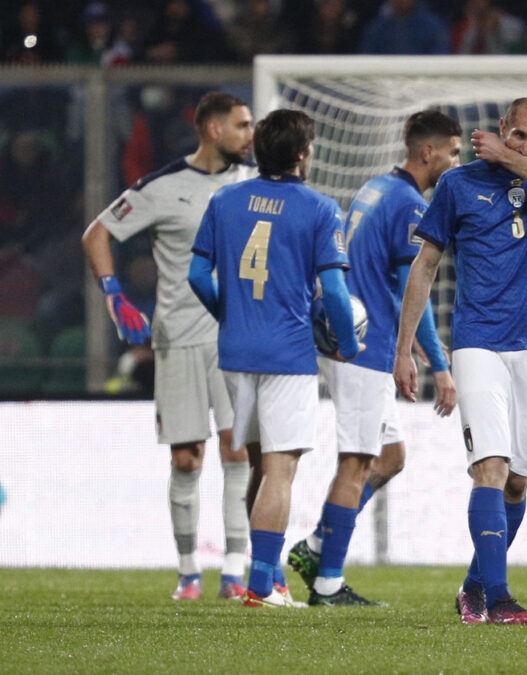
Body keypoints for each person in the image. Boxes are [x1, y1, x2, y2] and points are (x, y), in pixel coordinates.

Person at [394, 97, 527, 625]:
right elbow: (425, 265)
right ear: (503, 128)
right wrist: (404, 349)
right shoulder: (457, 185)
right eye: (518, 135)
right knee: (491, 469)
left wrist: (509, 157)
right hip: (479, 343)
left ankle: (473, 589)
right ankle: (499, 598)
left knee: (518, 482)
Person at [82, 91, 257, 601]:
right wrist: (115, 296)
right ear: (212, 129)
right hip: (178, 337)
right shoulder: (163, 187)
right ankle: (187, 572)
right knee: (187, 458)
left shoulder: (255, 183)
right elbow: (98, 234)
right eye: (242, 126)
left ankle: (234, 571)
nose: (251, 135)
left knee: (237, 451)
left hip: (236, 336)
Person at [188, 108, 363, 608]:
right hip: (287, 354)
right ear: (303, 155)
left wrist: (232, 315)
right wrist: (347, 345)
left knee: (262, 469)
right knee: (281, 470)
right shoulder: (319, 208)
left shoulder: (224, 199)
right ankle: (263, 587)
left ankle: (264, 579)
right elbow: (333, 290)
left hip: (235, 353)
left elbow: (199, 276)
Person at [286, 110, 462, 606]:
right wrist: (435, 362)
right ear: (427, 152)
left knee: (390, 457)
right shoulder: (409, 205)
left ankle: (317, 544)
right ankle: (327, 584)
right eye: (452, 152)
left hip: (354, 339)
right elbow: (414, 289)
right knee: (358, 460)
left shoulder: (375, 188)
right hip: (365, 347)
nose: (455, 162)